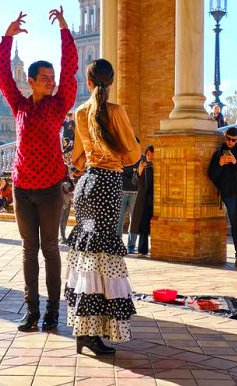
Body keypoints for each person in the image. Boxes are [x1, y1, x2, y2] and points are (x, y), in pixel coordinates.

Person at [0, 8, 78, 332]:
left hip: (48, 190)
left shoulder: (59, 105)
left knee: (50, 251)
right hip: (21, 188)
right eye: (45, 78)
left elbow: (70, 71)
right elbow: (3, 75)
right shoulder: (18, 105)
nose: (51, 81)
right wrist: (7, 37)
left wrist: (64, 31)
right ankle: (31, 311)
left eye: (52, 77)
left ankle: (53, 312)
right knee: (29, 251)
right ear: (30, 81)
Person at [67, 58, 140, 355]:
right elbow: (132, 154)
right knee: (102, 255)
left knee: (87, 254)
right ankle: (93, 333)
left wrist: (94, 162)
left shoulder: (80, 112)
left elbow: (77, 159)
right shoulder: (114, 111)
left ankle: (84, 330)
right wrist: (117, 160)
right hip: (107, 186)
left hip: (86, 187)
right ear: (111, 82)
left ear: (88, 82)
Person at [208, 127, 237, 268]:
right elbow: (212, 175)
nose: (230, 142)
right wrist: (220, 165)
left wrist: (235, 163)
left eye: (233, 140)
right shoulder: (218, 154)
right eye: (228, 139)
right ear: (225, 137)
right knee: (235, 224)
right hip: (229, 195)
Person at [130, 146, 154, 256]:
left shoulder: (158, 167)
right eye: (148, 154)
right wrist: (139, 172)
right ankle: (142, 250)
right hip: (144, 200)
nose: (150, 156)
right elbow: (134, 182)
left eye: (152, 154)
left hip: (155, 200)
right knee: (143, 225)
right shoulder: (143, 167)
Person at [119, 158, 140, 247]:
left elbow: (139, 176)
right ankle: (117, 243)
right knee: (119, 220)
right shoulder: (121, 157)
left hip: (135, 193)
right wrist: (133, 173)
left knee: (133, 220)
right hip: (121, 192)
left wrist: (127, 174)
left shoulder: (140, 159)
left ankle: (131, 245)